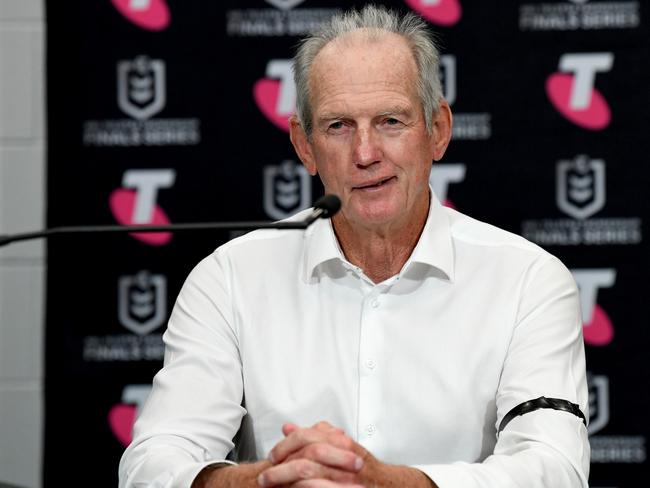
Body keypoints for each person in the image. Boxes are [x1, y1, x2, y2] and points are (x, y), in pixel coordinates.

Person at [119, 5, 590, 488]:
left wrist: (389, 482)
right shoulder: (231, 278)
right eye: (338, 126)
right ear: (304, 147)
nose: (365, 154)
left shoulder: (528, 279)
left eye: (390, 121)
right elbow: (153, 462)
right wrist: (263, 481)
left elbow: (555, 467)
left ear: (438, 131)